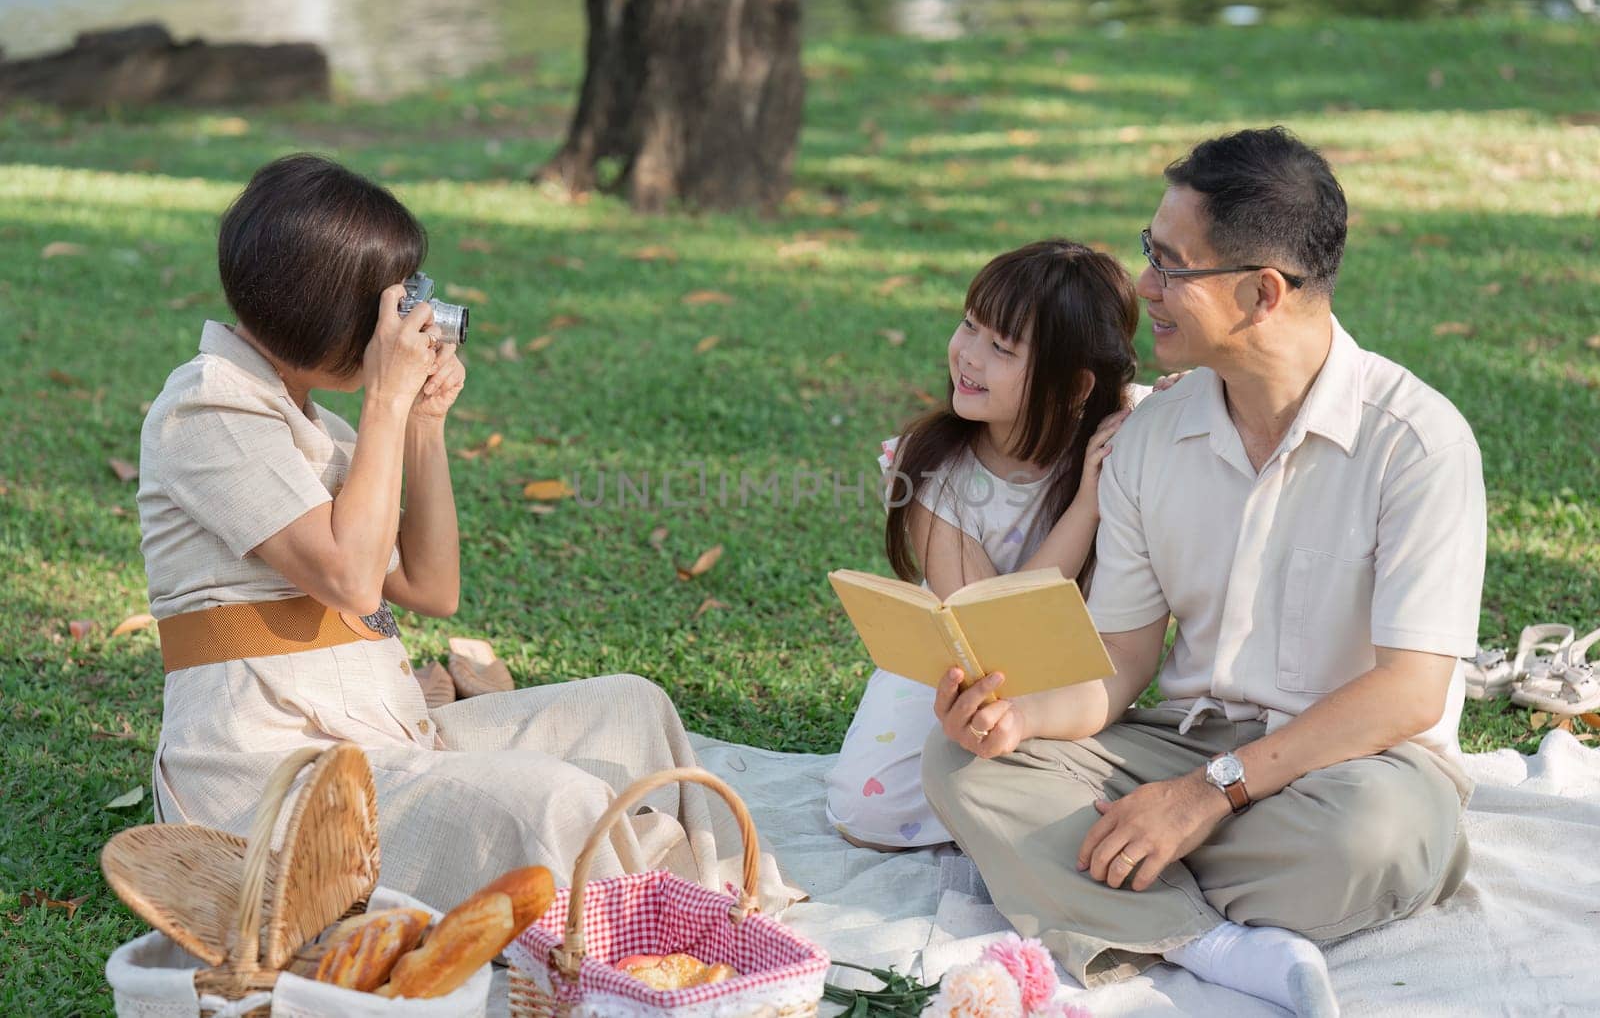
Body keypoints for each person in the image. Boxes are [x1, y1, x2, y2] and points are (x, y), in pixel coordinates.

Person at [137, 153, 796, 912]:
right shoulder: (206, 408)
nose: (406, 319)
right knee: (547, 802)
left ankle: (705, 898)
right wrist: (387, 397)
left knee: (630, 708)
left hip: (387, 740)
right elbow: (352, 578)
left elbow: (430, 588)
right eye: (389, 305)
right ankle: (636, 933)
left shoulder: (322, 426)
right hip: (275, 777)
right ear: (326, 312)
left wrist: (422, 422)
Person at [923, 127, 1484, 1017]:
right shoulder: (1152, 436)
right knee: (964, 767)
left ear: (1263, 293)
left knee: (1377, 837)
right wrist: (1019, 717)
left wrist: (1206, 797)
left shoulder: (1417, 444)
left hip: (1354, 769)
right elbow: (1123, 658)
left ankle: (1106, 885)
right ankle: (1219, 944)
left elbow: (1409, 692)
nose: (1145, 287)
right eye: (1152, 252)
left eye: (1170, 263)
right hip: (1182, 738)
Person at [826, 239, 1156, 849]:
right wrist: (1085, 506)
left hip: (1069, 673)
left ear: (1077, 384)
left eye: (1001, 347)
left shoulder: (1127, 430)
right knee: (867, 811)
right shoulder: (932, 469)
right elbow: (995, 630)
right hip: (960, 667)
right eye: (970, 325)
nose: (968, 356)